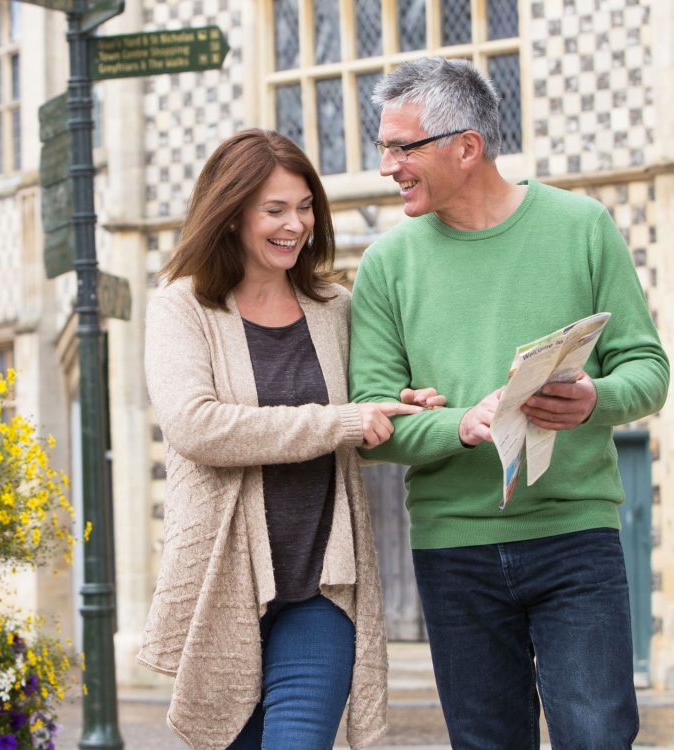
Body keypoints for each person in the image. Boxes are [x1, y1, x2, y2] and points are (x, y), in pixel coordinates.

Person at [349, 57, 670, 749]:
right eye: (384, 148)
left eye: (402, 148)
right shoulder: (384, 266)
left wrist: (592, 401)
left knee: (597, 738)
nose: (387, 166)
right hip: (453, 548)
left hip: (574, 538)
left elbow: (648, 370)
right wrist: (457, 425)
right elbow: (369, 418)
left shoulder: (582, 226)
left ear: (466, 147)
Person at [138, 129, 434, 750]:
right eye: (274, 210)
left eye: (304, 208)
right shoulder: (182, 308)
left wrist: (403, 405)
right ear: (230, 212)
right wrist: (340, 421)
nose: (294, 225)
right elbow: (198, 427)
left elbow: (367, 399)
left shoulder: (334, 307)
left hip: (322, 582)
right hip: (225, 584)